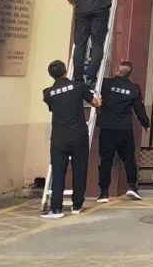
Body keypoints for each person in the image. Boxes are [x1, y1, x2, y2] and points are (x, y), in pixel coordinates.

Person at [42, 59, 100, 218]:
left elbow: (54, 107)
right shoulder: (79, 86)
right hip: (79, 135)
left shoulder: (47, 93)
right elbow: (95, 103)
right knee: (79, 169)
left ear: (51, 75)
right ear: (65, 70)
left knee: (58, 172)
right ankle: (77, 205)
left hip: (59, 137)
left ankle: (56, 209)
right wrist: (98, 100)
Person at [96, 60, 150, 203]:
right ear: (129, 73)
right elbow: (139, 110)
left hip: (107, 128)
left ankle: (103, 192)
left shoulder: (105, 84)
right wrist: (146, 124)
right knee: (129, 159)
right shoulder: (134, 89)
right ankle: (132, 187)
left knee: (105, 160)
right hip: (124, 129)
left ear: (116, 70)